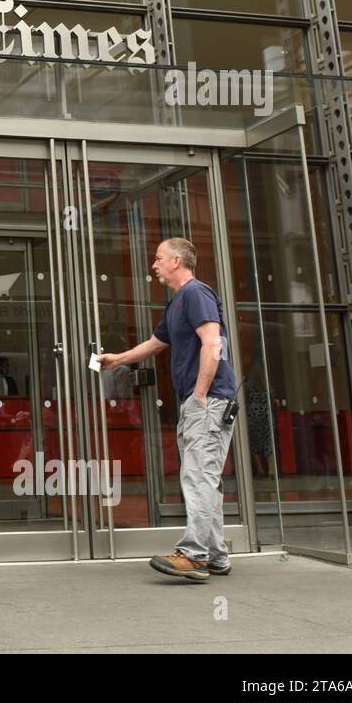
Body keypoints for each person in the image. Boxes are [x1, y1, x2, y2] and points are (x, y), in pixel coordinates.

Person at [97, 237, 237, 582]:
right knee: (205, 477)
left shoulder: (196, 293)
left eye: (159, 259)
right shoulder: (177, 303)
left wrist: (200, 395)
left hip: (208, 399)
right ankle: (216, 556)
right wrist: (118, 360)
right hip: (202, 400)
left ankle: (193, 555)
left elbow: (213, 342)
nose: (154, 265)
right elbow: (155, 343)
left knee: (197, 476)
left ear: (177, 261)